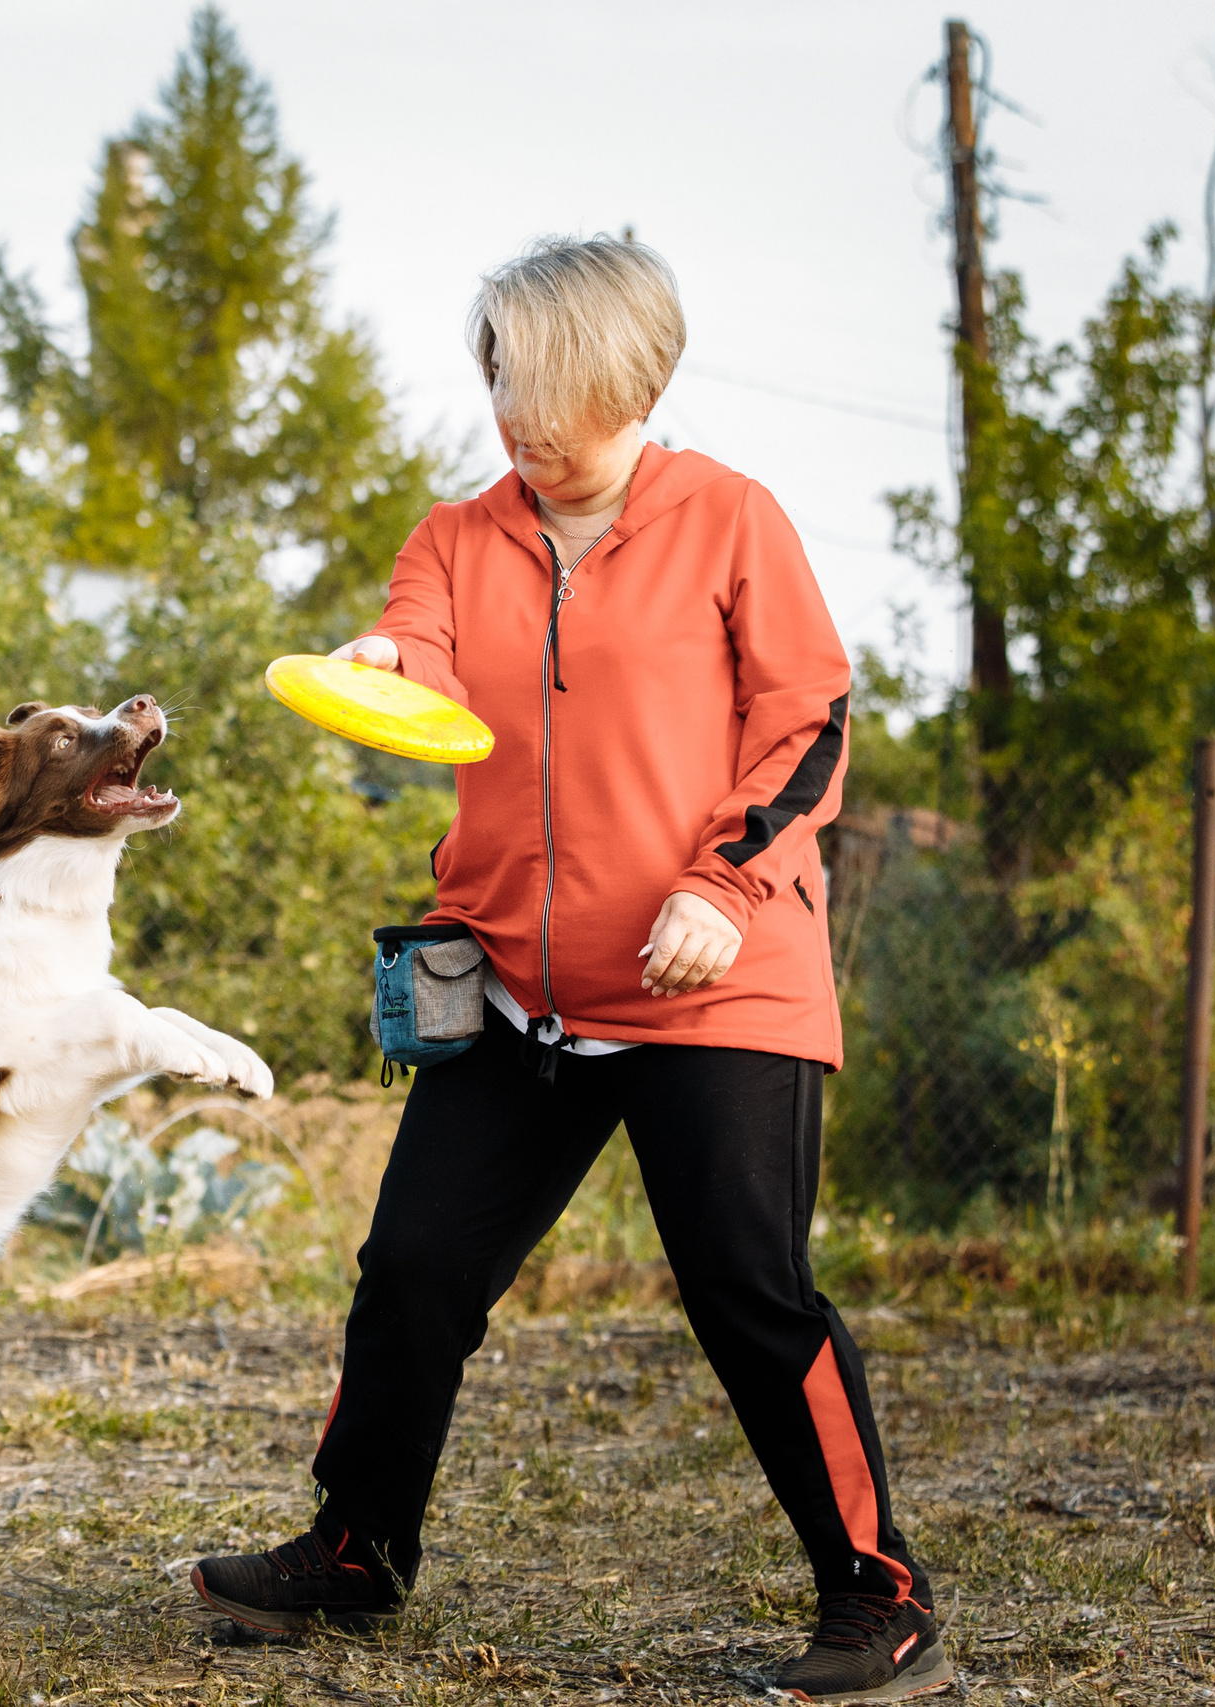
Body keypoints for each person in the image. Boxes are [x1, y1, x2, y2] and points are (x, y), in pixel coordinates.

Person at [189, 235, 948, 1705]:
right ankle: (357, 1551)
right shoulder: (458, 533)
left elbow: (812, 724)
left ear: (631, 380)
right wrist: (383, 664)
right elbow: (413, 643)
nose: (521, 424)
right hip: (518, 991)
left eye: (551, 394)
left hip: (714, 981)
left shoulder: (733, 521)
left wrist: (724, 888)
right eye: (500, 387)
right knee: (410, 1269)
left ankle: (880, 1594)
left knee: (746, 1289)